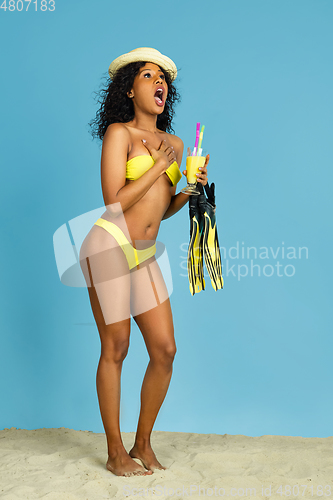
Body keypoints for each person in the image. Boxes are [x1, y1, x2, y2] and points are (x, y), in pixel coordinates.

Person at [79, 47, 209, 477]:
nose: (159, 83)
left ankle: (142, 444)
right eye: (149, 76)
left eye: (164, 79)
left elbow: (160, 209)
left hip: (145, 255)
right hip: (109, 246)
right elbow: (114, 202)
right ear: (130, 88)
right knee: (116, 347)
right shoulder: (120, 134)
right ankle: (115, 452)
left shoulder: (173, 143)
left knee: (165, 350)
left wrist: (187, 191)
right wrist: (156, 168)